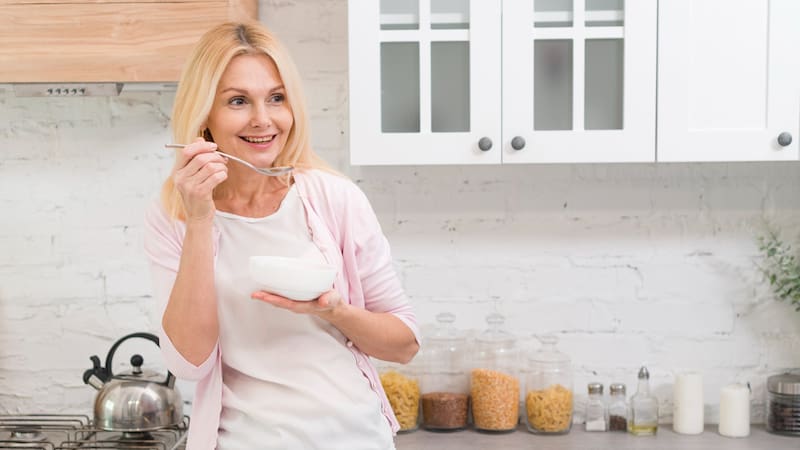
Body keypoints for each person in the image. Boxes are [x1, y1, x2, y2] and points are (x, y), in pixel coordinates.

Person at [143, 21, 420, 450]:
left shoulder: (333, 198)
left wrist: (335, 310)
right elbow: (190, 363)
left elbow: (404, 344)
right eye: (238, 101)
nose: (263, 119)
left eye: (276, 98)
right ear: (205, 118)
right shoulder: (175, 216)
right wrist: (200, 220)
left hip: (353, 437)